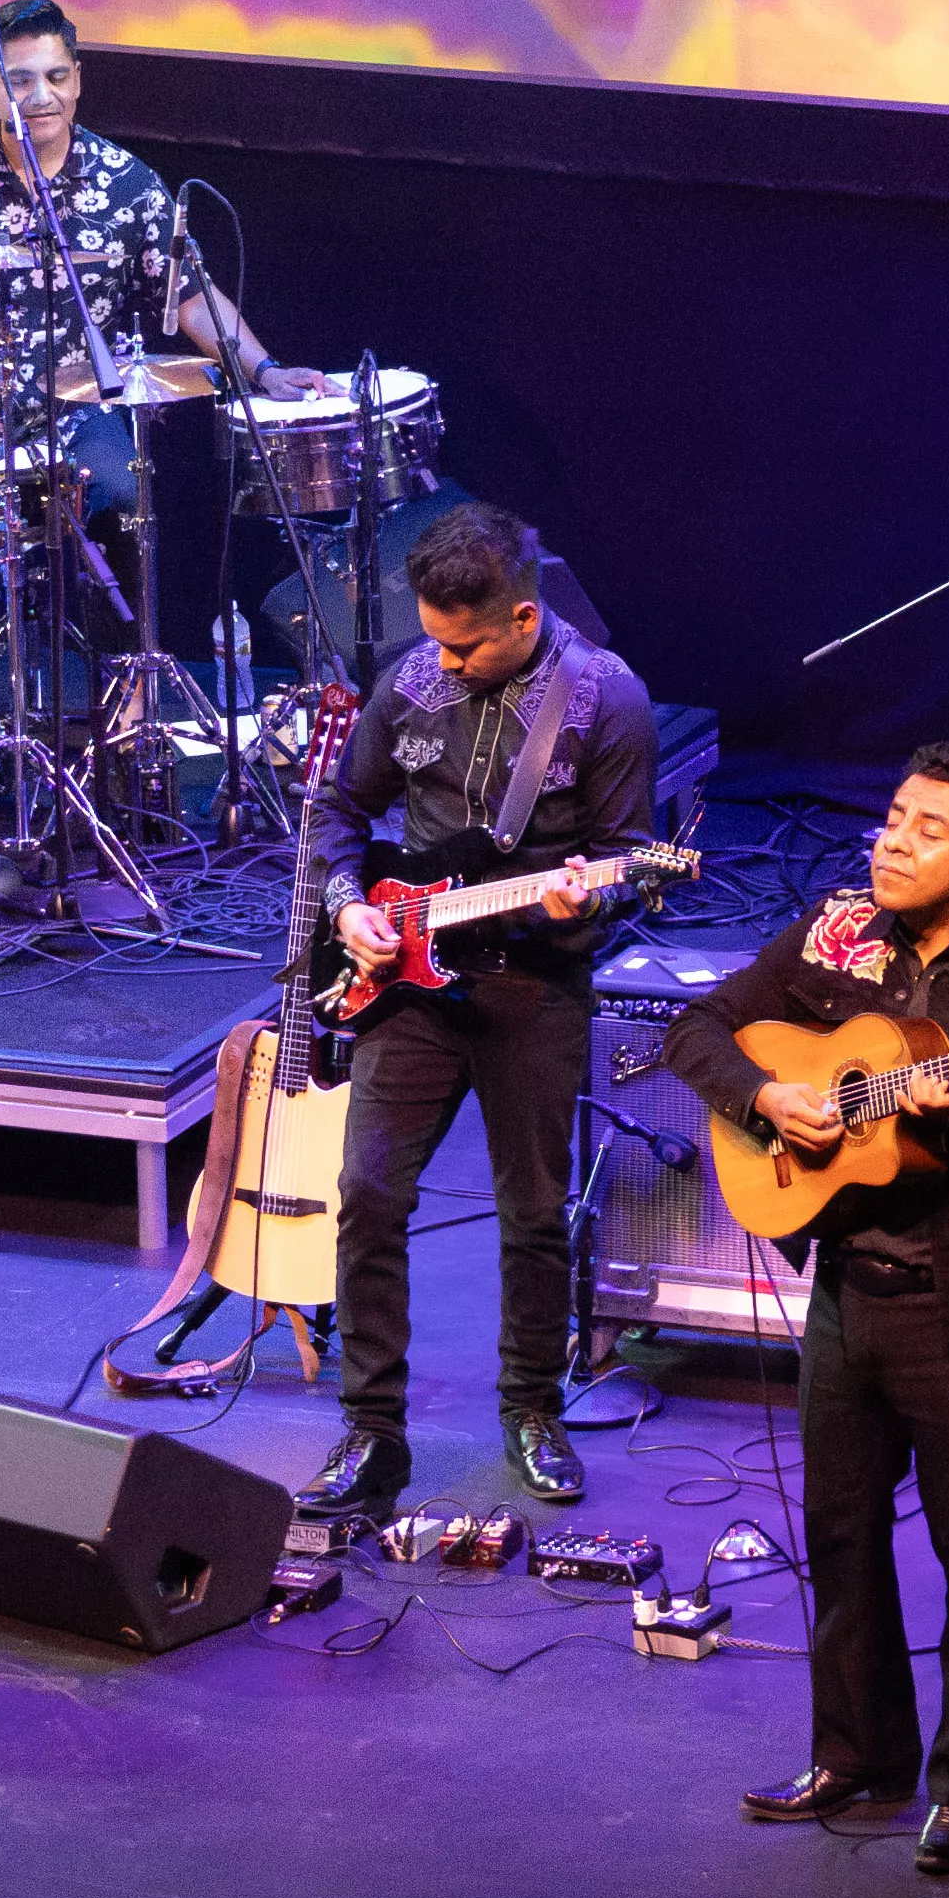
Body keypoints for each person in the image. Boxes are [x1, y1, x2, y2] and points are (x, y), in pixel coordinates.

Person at [659, 749, 949, 1880]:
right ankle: (858, 1751)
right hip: (846, 1285)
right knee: (842, 1531)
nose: (892, 841)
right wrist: (770, 1095)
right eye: (892, 818)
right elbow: (700, 1032)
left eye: (926, 830)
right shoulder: (835, 929)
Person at [292, 505, 679, 1521]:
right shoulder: (412, 680)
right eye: (431, 636)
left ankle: (533, 1409)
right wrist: (351, 907)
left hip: (532, 981)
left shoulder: (606, 697)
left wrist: (591, 893)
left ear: (522, 612)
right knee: (369, 1194)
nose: (444, 659)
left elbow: (635, 860)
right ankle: (370, 1431)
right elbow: (340, 807)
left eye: (464, 643)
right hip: (410, 974)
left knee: (534, 1211)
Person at [0, 0, 319, 541]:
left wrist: (264, 371)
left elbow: (190, 296)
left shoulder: (127, 182)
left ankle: (117, 628)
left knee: (125, 505)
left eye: (56, 77)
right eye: (20, 80)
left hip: (76, 415)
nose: (41, 96)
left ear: (77, 79)